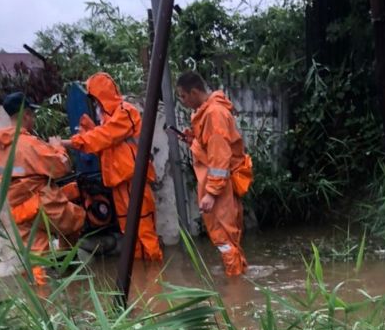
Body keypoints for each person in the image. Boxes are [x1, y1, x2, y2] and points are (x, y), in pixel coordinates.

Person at [62, 72, 163, 262]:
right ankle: (143, 282)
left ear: (102, 95)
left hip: (134, 182)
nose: (95, 104)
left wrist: (70, 142)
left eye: (95, 99)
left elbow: (104, 137)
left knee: (144, 231)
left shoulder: (126, 112)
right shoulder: (106, 121)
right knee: (130, 235)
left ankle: (156, 278)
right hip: (119, 184)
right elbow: (103, 145)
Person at [0, 91, 85, 285]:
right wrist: (58, 146)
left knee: (36, 257)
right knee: (76, 219)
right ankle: (68, 264)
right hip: (42, 205)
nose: (32, 119)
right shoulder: (29, 143)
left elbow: (1, 177)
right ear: (26, 115)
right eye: (31, 115)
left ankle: (41, 299)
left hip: (18, 210)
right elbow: (62, 167)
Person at [176, 71, 253, 277]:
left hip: (219, 186)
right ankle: (238, 279)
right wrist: (193, 140)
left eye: (183, 96)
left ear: (193, 92)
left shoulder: (213, 114)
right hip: (220, 183)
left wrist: (211, 192)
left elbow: (219, 157)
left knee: (224, 236)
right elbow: (212, 148)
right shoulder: (209, 112)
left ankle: (236, 291)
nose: (182, 102)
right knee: (228, 237)